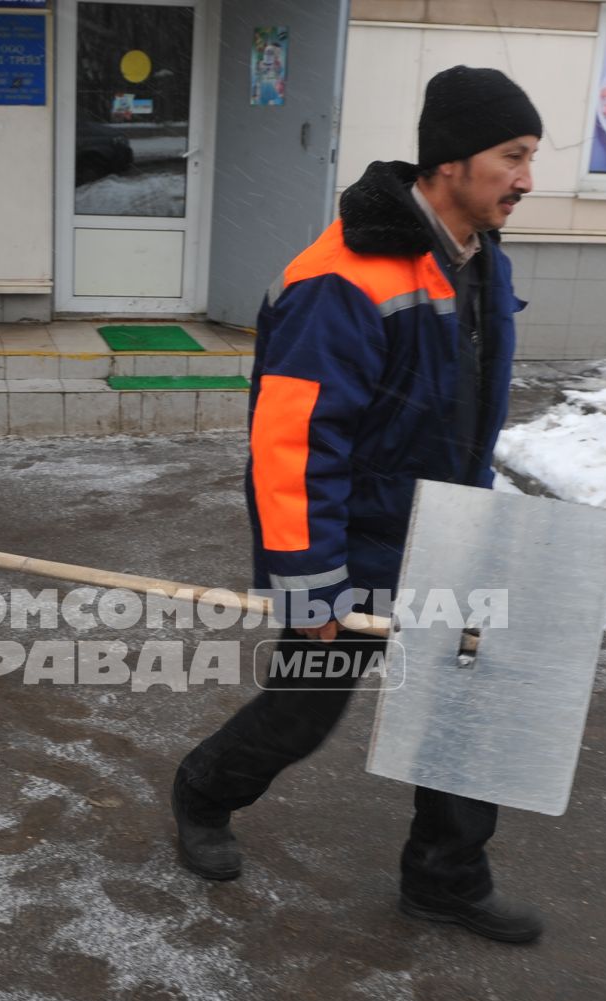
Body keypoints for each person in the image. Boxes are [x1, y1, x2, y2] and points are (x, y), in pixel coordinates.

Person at [170, 67, 545, 942]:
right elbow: (292, 445)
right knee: (310, 703)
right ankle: (203, 790)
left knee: (467, 706)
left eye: (530, 156)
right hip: (358, 544)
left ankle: (445, 877)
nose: (527, 178)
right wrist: (311, 580)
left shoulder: (481, 259)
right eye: (513, 156)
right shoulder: (341, 278)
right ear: (451, 162)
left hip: (453, 534)